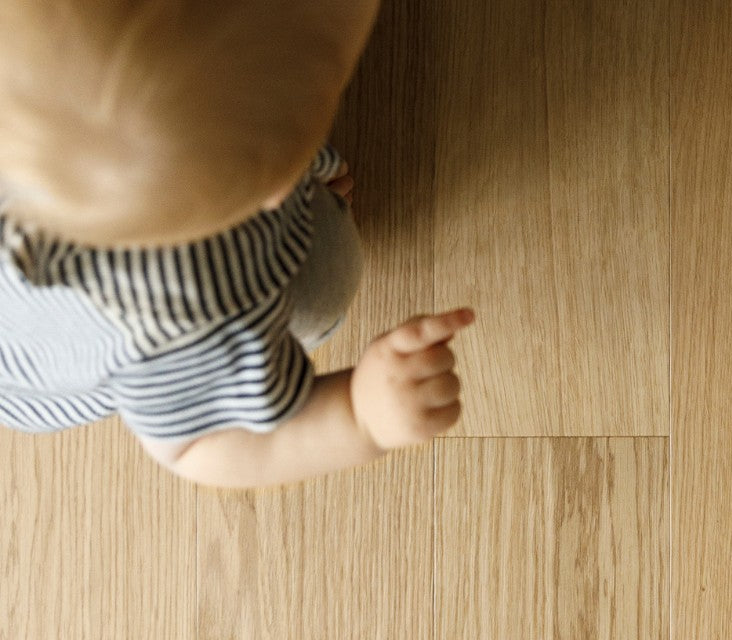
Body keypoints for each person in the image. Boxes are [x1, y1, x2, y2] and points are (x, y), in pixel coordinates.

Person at [0, 0, 474, 489]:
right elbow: (203, 447)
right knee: (327, 273)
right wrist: (360, 415)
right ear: (272, 189)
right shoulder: (189, 310)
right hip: (61, 369)